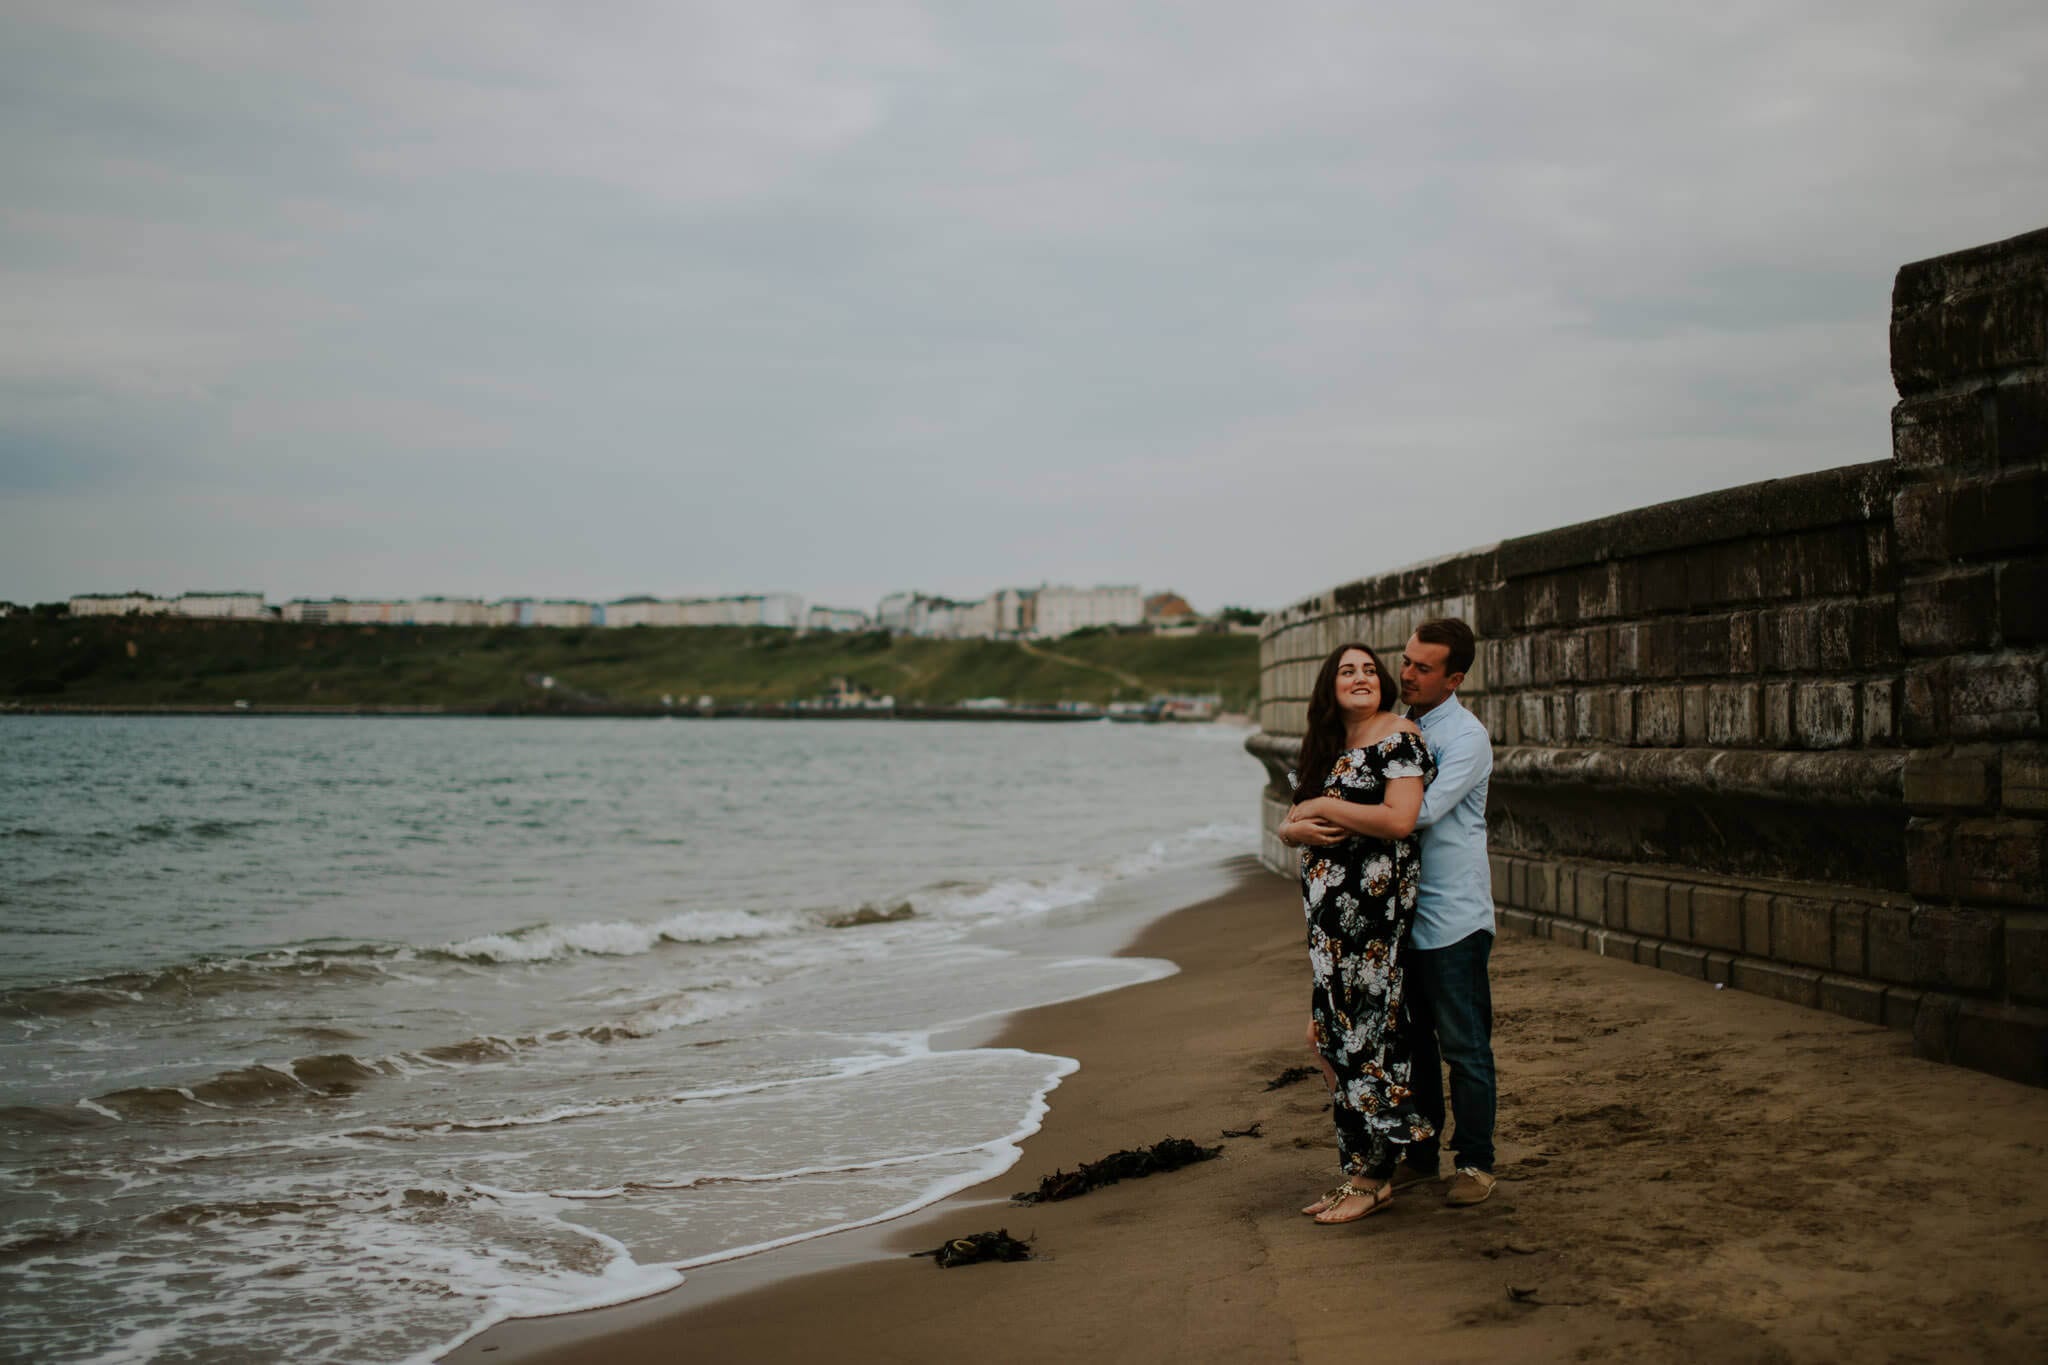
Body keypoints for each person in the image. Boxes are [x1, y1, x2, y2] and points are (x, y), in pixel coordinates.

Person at [1276, 642, 1437, 1225]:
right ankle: (1357, 1173)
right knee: (1328, 1040)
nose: (1362, 677)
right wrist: (1294, 830)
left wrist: (1321, 804)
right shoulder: (1326, 747)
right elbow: (1291, 818)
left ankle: (1381, 1166)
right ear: (1330, 686)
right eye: (1348, 671)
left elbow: (1399, 819)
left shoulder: (1399, 738)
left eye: (1370, 669)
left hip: (1371, 922)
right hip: (1325, 929)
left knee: (1366, 1042)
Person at [1396, 617, 1499, 1207]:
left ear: (1454, 677)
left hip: (1455, 919)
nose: (1406, 673)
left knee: (1464, 1047)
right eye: (1406, 660)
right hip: (1403, 917)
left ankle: (1477, 1164)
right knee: (1412, 1049)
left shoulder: (1465, 738)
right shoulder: (1399, 724)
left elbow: (1422, 813)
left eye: (1422, 667)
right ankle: (1420, 1155)